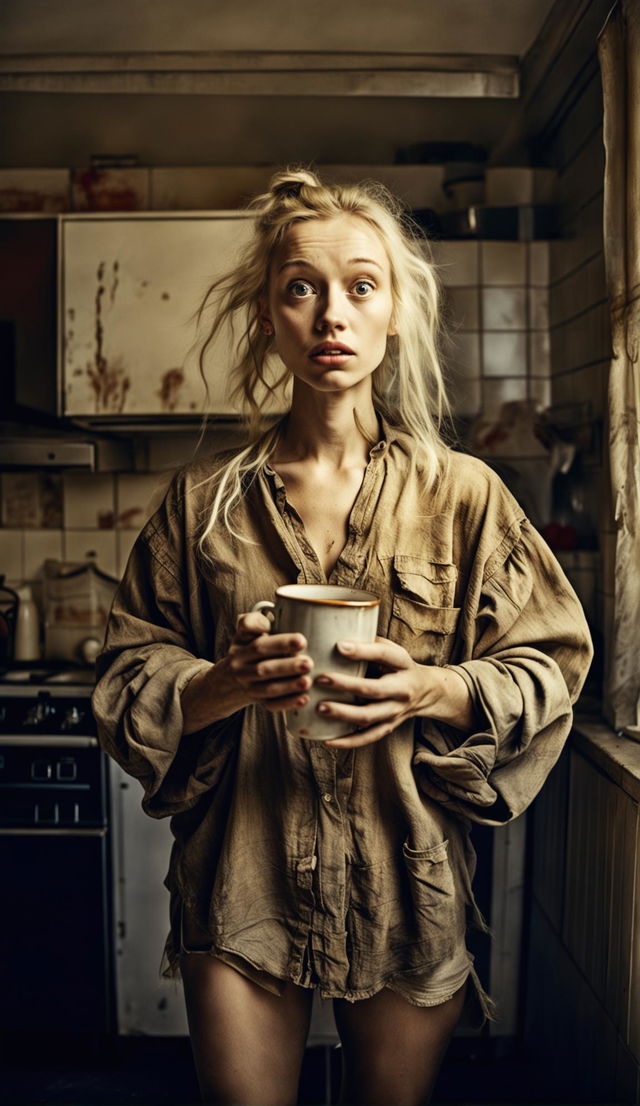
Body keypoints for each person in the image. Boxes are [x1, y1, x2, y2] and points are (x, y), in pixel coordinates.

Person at [93, 168, 593, 1106]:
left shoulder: (464, 497)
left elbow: (551, 663)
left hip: (407, 884)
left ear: (396, 312)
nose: (332, 313)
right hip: (239, 881)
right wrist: (221, 684)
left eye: (361, 286)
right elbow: (128, 671)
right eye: (301, 288)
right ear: (268, 317)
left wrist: (429, 690)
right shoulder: (203, 506)